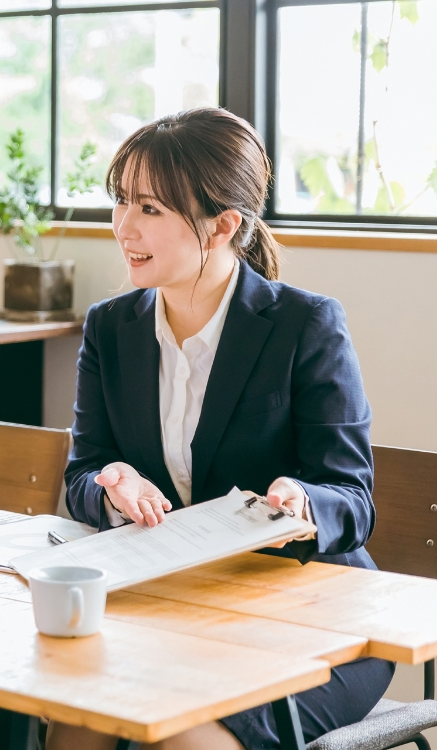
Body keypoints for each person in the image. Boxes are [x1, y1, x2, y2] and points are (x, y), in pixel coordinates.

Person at [46, 108, 393, 750]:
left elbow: (353, 499)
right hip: (173, 604)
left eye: (150, 208)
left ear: (224, 224)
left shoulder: (305, 325)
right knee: (77, 717)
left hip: (314, 617)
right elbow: (83, 474)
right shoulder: (110, 327)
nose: (123, 226)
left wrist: (301, 500)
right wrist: (110, 484)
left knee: (177, 736)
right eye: (121, 201)